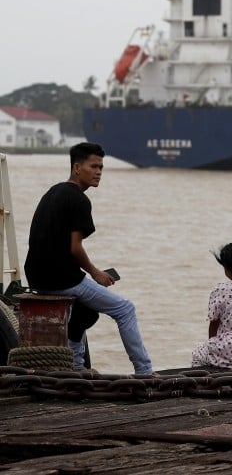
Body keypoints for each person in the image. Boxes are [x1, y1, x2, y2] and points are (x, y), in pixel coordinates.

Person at [24, 142, 153, 374]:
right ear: (76, 167)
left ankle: (76, 365)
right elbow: (75, 248)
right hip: (62, 280)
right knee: (125, 309)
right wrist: (96, 273)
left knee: (86, 311)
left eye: (101, 167)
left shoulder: (53, 192)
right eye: (93, 166)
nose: (98, 172)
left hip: (37, 277)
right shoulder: (80, 200)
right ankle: (144, 370)